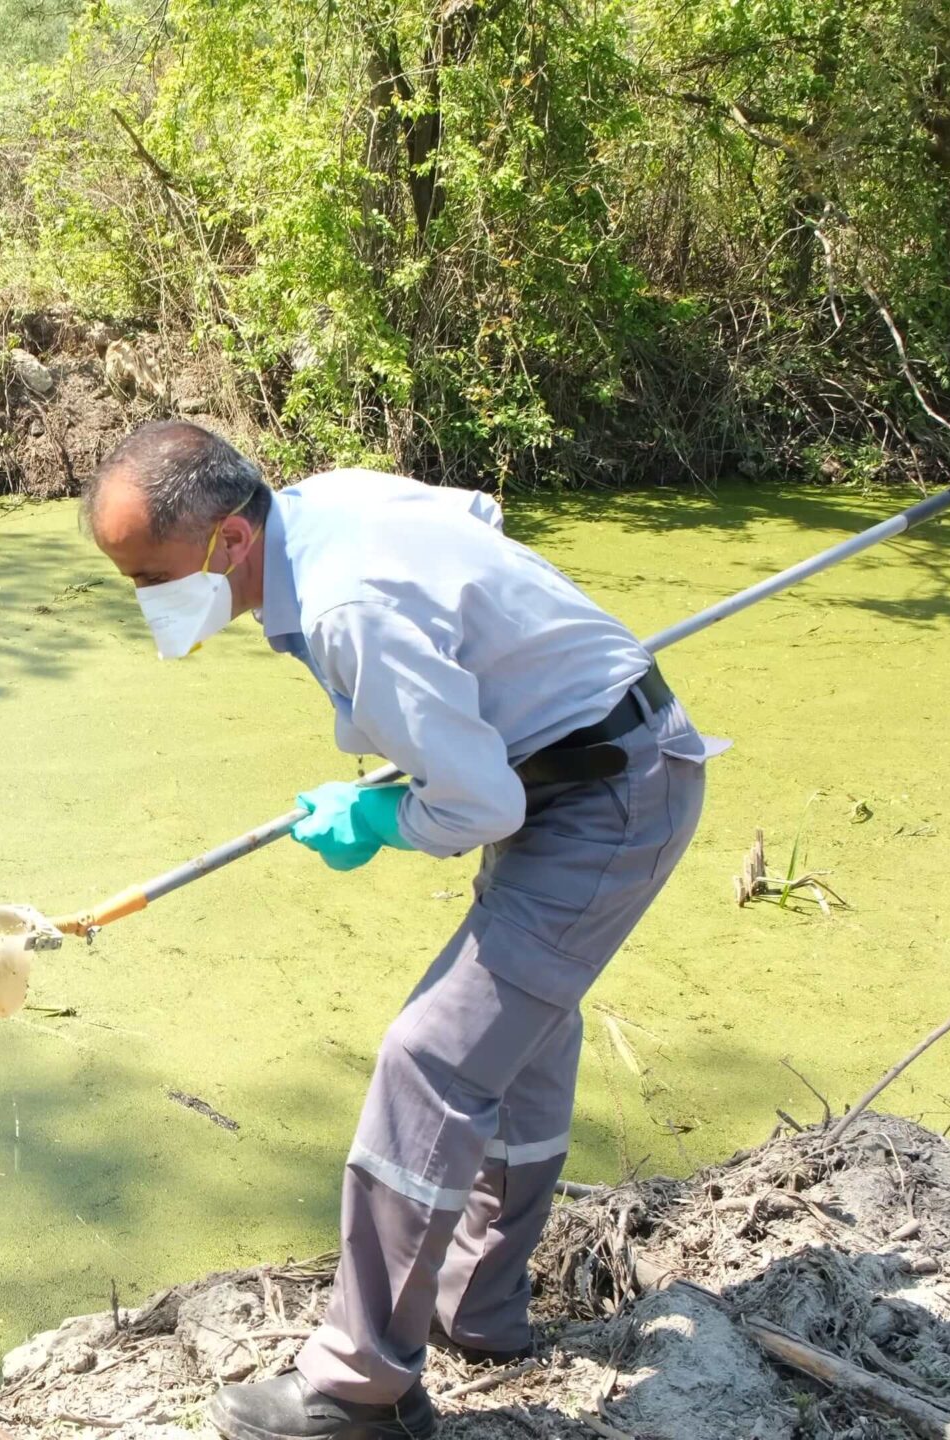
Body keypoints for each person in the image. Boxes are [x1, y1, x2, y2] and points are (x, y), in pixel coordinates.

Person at [80, 420, 722, 1440]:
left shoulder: (345, 606)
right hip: (566, 767)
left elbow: (478, 808)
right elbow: (476, 524)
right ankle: (478, 1308)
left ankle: (356, 1391)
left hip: (604, 795)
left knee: (429, 1060)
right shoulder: (325, 505)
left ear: (228, 544)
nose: (145, 599)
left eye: (148, 575)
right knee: (517, 1038)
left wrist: (381, 816)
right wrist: (445, 719)